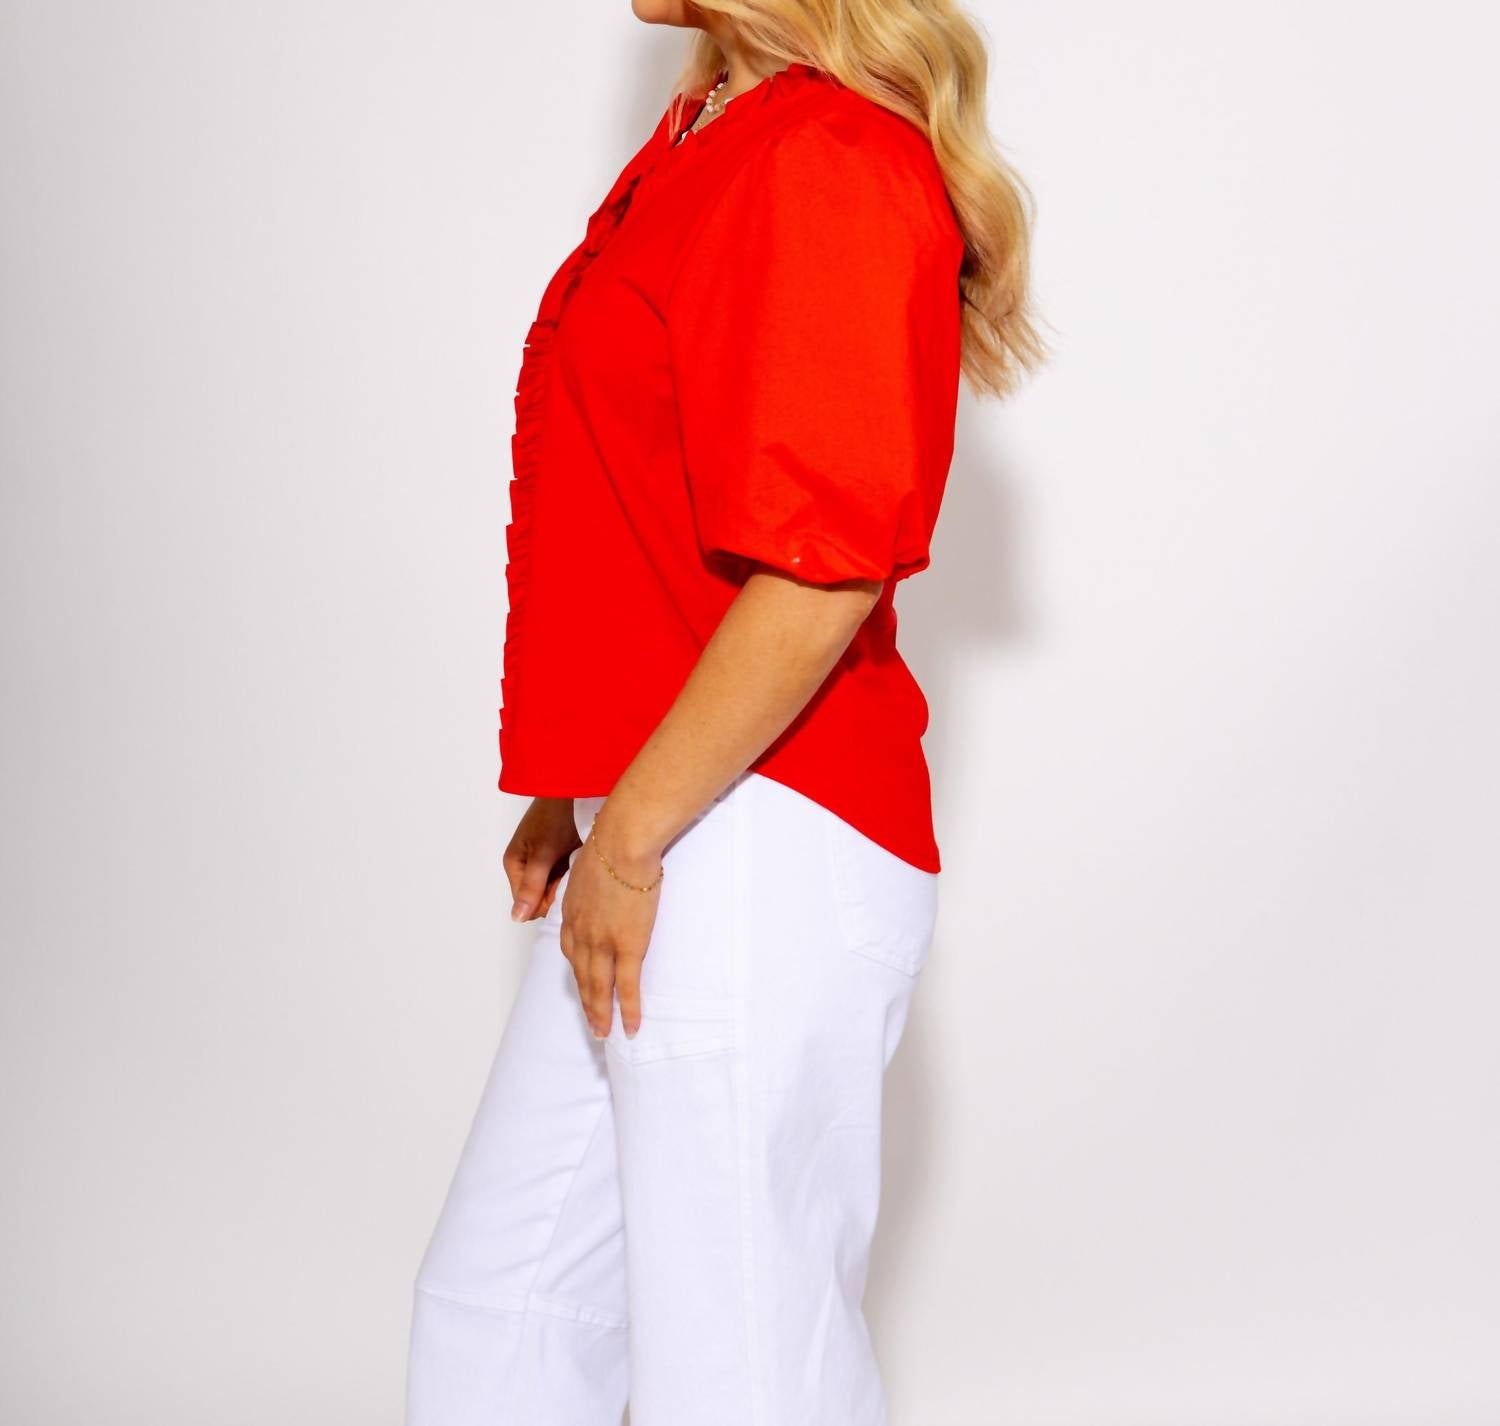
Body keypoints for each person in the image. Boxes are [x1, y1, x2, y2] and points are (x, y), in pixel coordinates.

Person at [406, 3, 1039, 1422]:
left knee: (738, 1365)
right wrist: (577, 789)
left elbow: (822, 572)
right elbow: (645, 511)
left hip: (760, 835)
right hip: (677, 809)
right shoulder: (712, 135)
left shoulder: (829, 158)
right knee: (503, 1308)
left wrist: (630, 834)